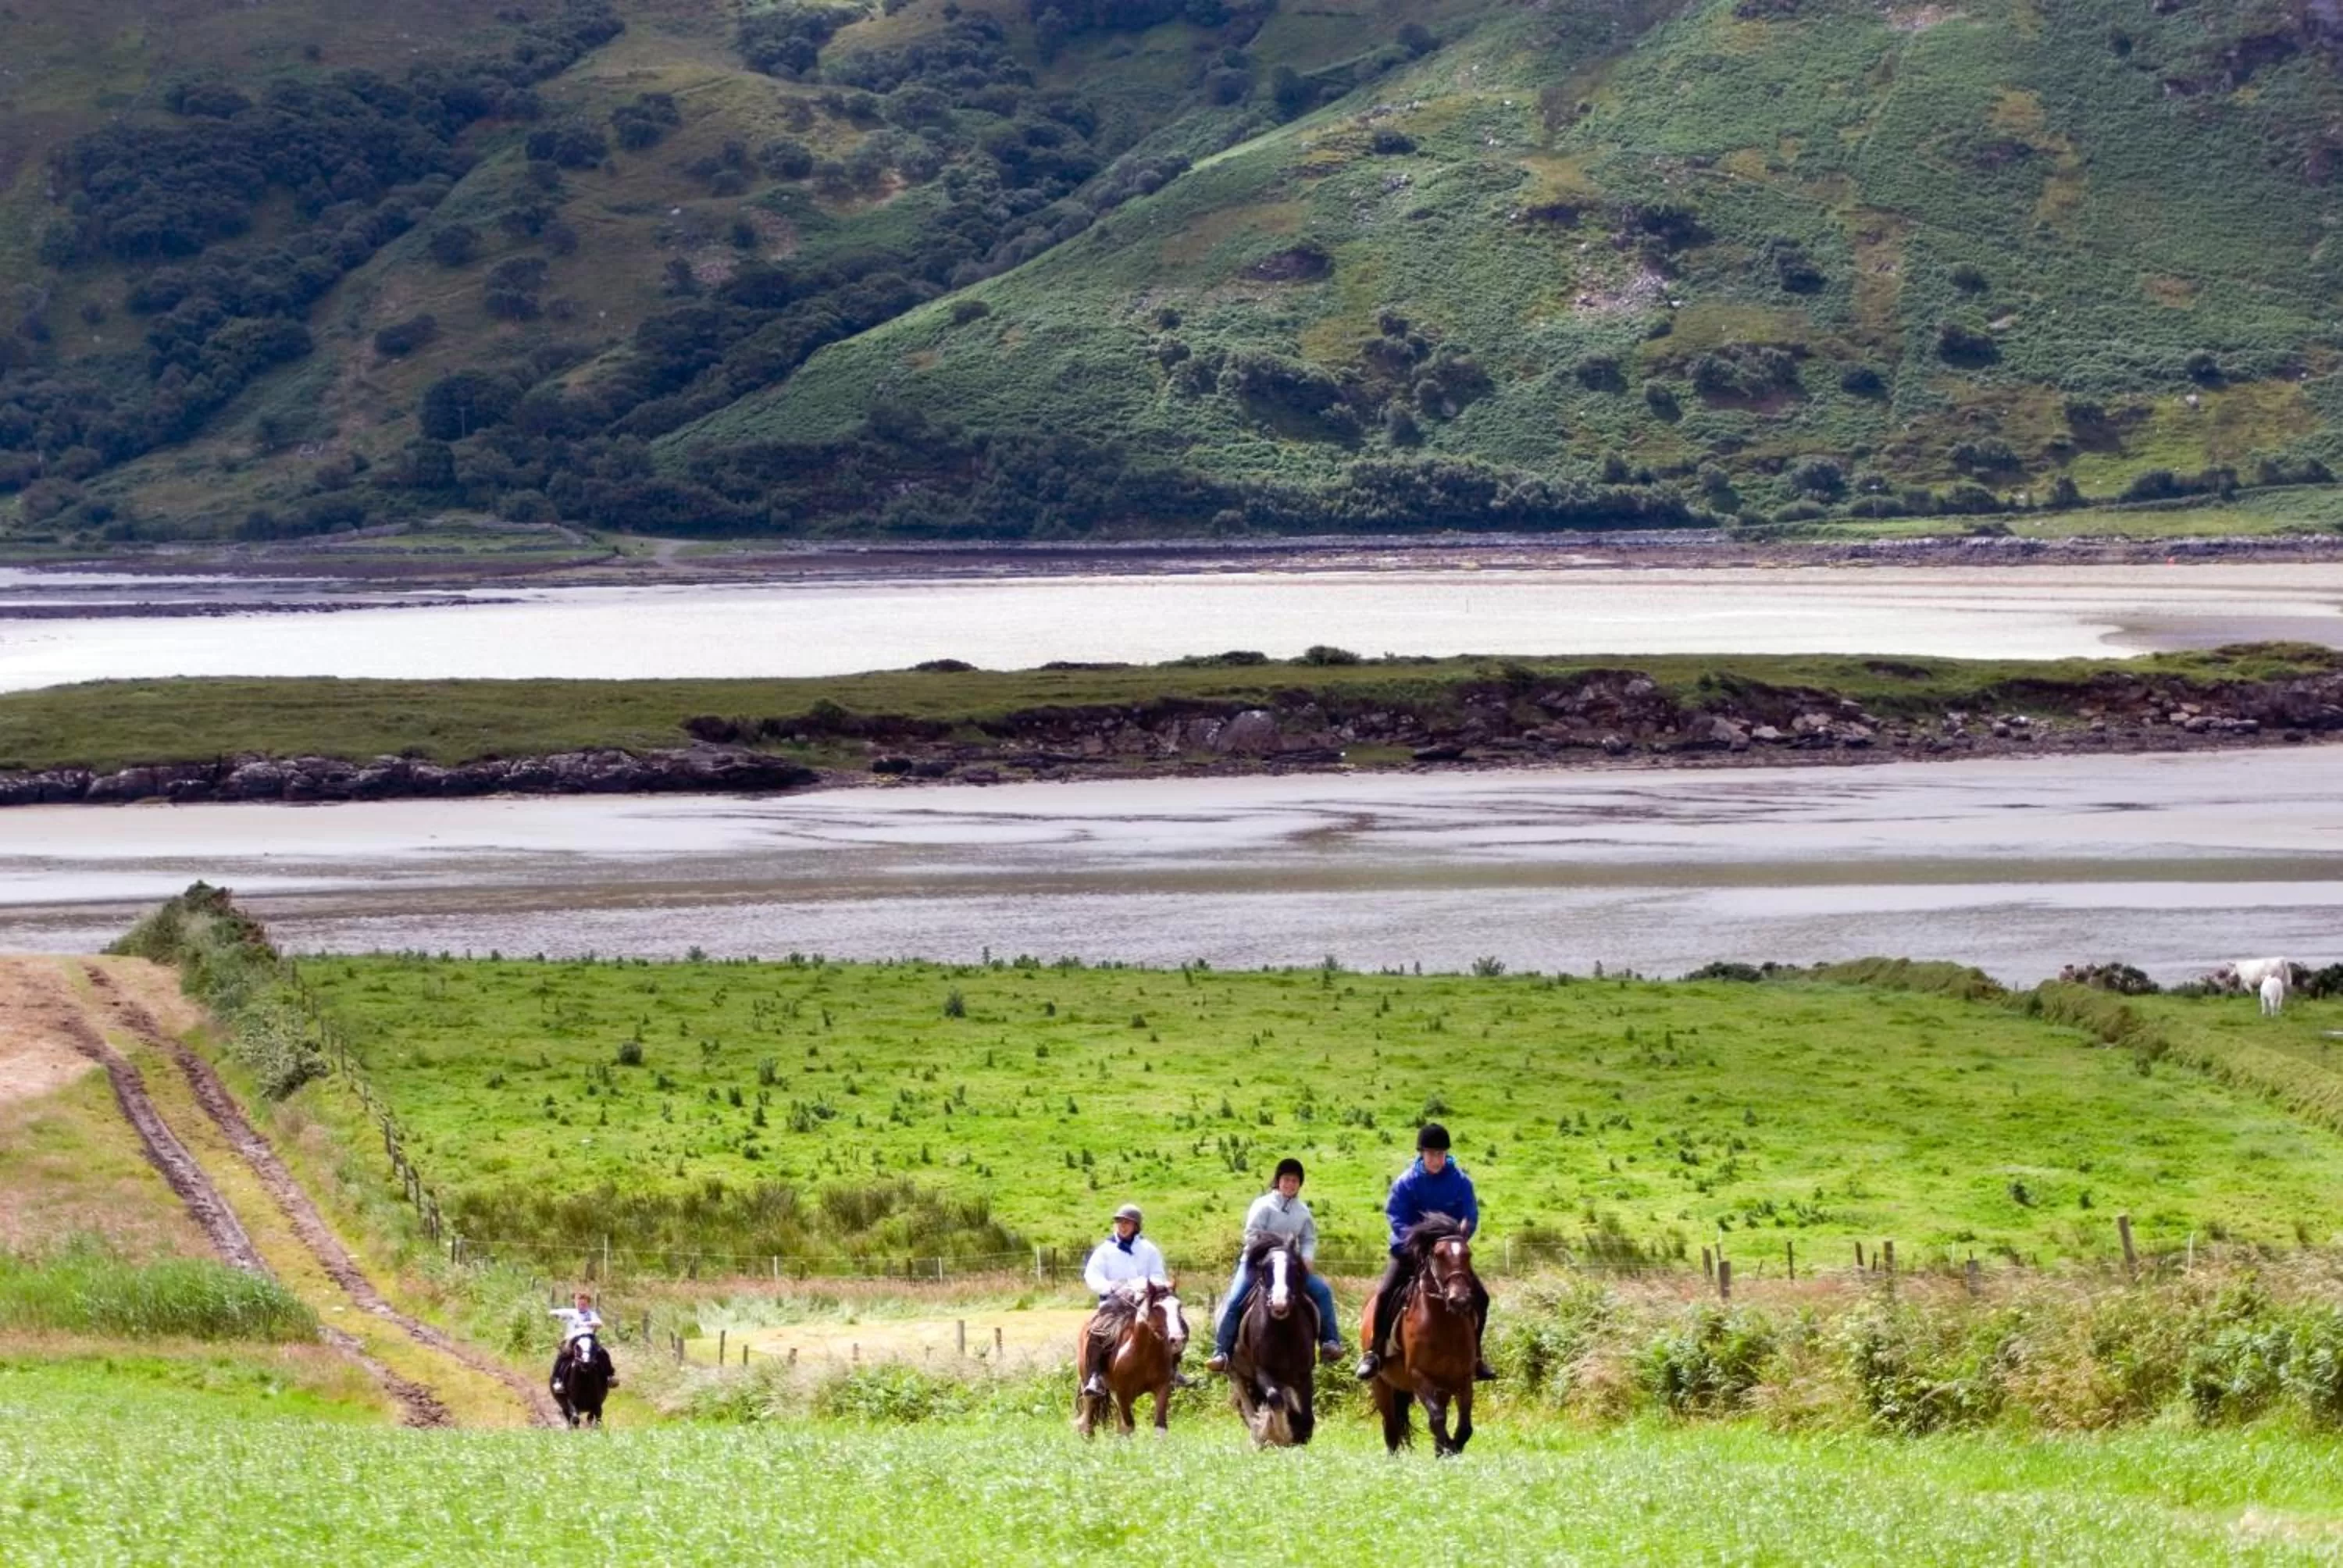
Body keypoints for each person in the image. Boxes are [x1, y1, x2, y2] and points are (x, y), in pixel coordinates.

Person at [1354, 1123, 1495, 1383]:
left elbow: (1470, 1215)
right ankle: (1374, 1353)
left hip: (1449, 1257)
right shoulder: (1407, 1182)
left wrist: (1460, 1238)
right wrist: (1417, 1241)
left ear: (1446, 1155)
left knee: (1482, 1298)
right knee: (1385, 1293)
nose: (1436, 1159)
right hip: (1410, 1251)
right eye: (1431, 1154)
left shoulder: (1461, 1182)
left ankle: (1476, 1358)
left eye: (1440, 1154)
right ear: (1422, 1154)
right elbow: (1395, 1216)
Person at [1204, 1156, 1343, 1374]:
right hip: (1257, 1264)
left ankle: (1330, 1342)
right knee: (1234, 1300)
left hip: (1289, 1268)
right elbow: (1251, 1235)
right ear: (1278, 1181)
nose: (1290, 1184)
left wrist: (1306, 1257)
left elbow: (1308, 1238)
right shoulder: (1263, 1205)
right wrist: (1270, 1255)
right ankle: (1222, 1352)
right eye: (1286, 1180)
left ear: (1299, 1185)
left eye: (1295, 1181)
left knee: (1323, 1291)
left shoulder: (1303, 1211)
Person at [1078, 1202, 1184, 1397]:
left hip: (1144, 1300)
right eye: (1119, 1222)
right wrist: (1110, 1286)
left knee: (1174, 1323)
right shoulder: (1104, 1250)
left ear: (1136, 1226)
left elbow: (1158, 1275)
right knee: (1096, 1329)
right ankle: (1095, 1376)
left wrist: (1143, 1285)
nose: (1123, 1225)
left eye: (1127, 1222)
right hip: (1115, 1301)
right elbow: (1092, 1276)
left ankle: (1174, 1370)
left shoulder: (1149, 1249)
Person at [548, 1288, 605, 1394]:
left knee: (602, 1353)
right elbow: (554, 1312)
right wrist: (555, 1314)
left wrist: (592, 1324)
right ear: (575, 1303)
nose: (581, 1306)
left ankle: (609, 1376)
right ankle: (557, 1379)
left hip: (589, 1338)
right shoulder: (570, 1312)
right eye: (579, 1303)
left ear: (588, 1304)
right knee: (563, 1356)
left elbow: (600, 1323)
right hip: (573, 1339)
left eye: (584, 1304)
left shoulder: (591, 1314)